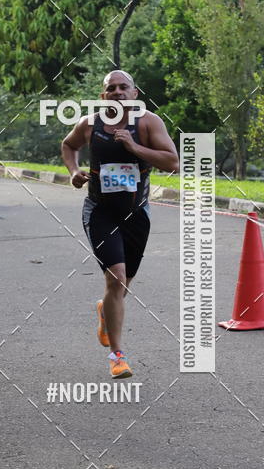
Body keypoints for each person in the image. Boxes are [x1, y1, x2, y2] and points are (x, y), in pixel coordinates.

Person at [61, 70, 179, 378]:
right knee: (116, 278)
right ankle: (117, 355)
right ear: (103, 97)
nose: (117, 92)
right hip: (99, 210)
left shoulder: (149, 123)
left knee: (121, 285)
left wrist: (134, 147)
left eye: (123, 87)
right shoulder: (90, 123)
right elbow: (68, 145)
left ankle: (105, 311)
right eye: (110, 88)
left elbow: (172, 162)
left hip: (136, 214)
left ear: (135, 93)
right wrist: (73, 171)